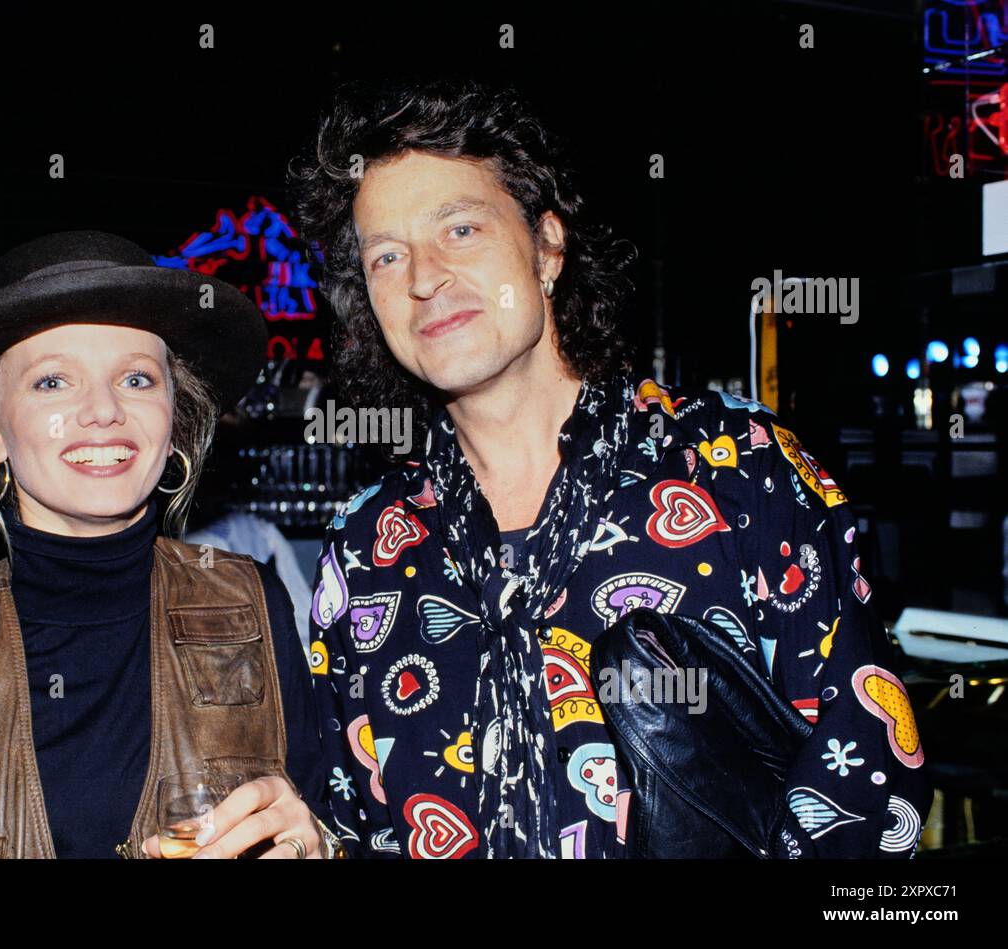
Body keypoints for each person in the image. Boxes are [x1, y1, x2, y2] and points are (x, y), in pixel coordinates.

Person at [288, 78, 933, 858]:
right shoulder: (365, 550)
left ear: (548, 245)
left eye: (460, 229)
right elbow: (353, 824)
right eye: (386, 255)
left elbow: (866, 796)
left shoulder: (740, 471)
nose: (423, 276)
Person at [0, 230, 342, 859]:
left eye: (137, 379)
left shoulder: (253, 607)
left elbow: (326, 815)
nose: (104, 410)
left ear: (174, 422)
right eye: (53, 383)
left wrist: (320, 846)